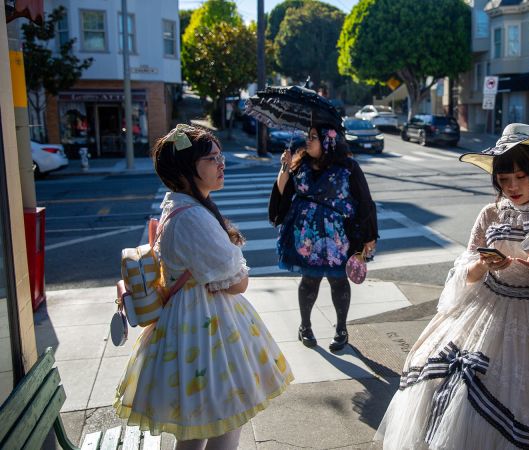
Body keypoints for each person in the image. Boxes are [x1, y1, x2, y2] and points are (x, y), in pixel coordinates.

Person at [375, 123, 529, 449]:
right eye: (503, 179)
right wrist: (483, 264)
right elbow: (465, 272)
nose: (512, 186)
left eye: (520, 177)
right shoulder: (489, 214)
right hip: (487, 311)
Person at [115, 124, 293, 449]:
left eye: (219, 156)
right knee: (225, 420)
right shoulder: (192, 218)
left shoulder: (179, 207)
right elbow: (239, 282)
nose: (221, 163)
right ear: (186, 169)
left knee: (198, 427)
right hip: (205, 332)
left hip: (191, 327)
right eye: (212, 159)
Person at [268, 124, 378, 352]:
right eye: (307, 137)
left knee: (339, 280)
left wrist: (369, 236)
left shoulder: (348, 167)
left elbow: (365, 201)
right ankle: (305, 327)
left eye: (313, 137)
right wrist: (285, 168)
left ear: (328, 141)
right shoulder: (300, 162)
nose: (307, 141)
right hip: (306, 237)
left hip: (338, 237)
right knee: (309, 280)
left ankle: (341, 329)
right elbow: (283, 193)